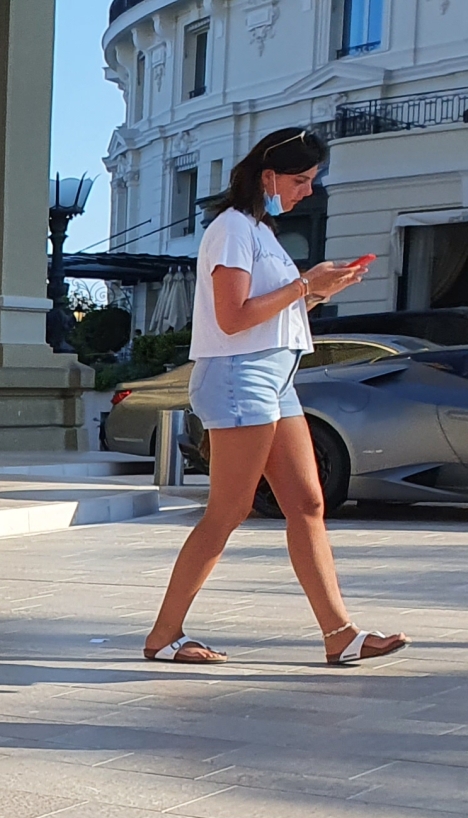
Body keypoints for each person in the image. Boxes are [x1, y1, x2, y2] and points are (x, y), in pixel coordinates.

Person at [142, 128, 400, 666]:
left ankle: (340, 634)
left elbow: (269, 317)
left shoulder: (260, 232)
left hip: (273, 377)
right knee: (229, 510)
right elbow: (234, 318)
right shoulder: (233, 229)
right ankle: (164, 636)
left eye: (312, 181)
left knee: (307, 503)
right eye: (301, 180)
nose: (308, 191)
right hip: (240, 376)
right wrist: (306, 285)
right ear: (268, 176)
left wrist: (319, 291)